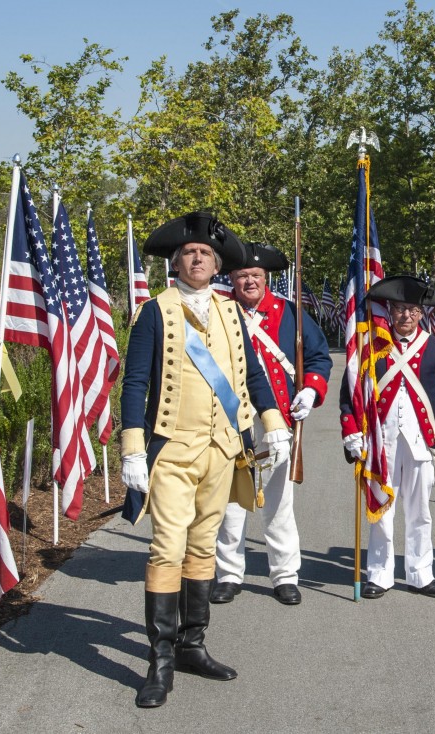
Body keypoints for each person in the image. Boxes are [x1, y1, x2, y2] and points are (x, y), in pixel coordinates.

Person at [120, 212, 286, 708]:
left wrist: (273, 425)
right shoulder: (156, 311)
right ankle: (161, 660)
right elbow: (135, 383)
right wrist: (132, 449)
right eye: (190, 252)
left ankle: (193, 644)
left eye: (206, 254)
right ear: (176, 262)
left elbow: (253, 375)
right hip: (171, 449)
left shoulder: (230, 311)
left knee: (203, 548)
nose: (198, 259)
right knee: (167, 549)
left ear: (217, 265)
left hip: (223, 450)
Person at [211, 242, 332, 606]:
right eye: (242, 275)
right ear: (230, 277)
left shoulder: (290, 312)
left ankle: (284, 575)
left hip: (277, 417)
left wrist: (310, 390)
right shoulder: (219, 311)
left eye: (256, 276)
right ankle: (229, 573)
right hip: (230, 418)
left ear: (266, 279)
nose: (249, 282)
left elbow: (318, 356)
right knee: (231, 501)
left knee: (278, 502)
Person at [340, 275, 435, 599]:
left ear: (421, 313)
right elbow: (350, 394)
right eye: (399, 310)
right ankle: (380, 575)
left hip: (421, 443)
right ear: (389, 311)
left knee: (419, 511)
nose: (406, 316)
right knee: (382, 510)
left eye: (412, 310)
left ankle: (421, 574)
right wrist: (351, 430)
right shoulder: (373, 347)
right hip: (382, 442)